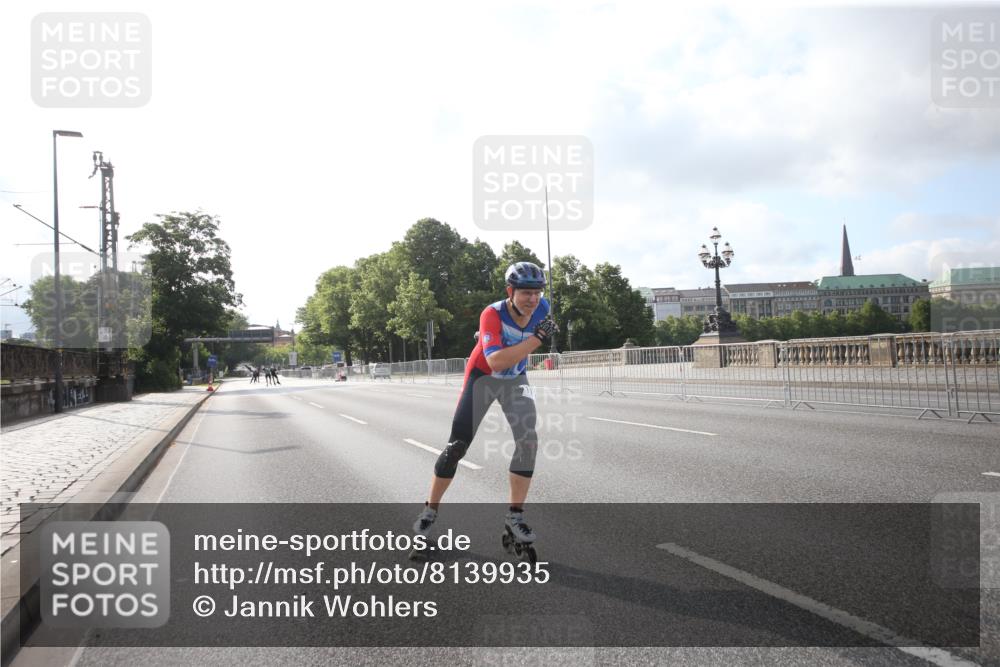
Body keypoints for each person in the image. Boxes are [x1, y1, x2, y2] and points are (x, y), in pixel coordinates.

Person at [413, 261, 558, 545]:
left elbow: (514, 356)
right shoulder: (491, 314)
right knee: (456, 447)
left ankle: (514, 517)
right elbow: (495, 360)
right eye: (525, 293)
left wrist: (529, 340)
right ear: (510, 291)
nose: (532, 299)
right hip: (483, 377)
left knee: (528, 442)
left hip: (515, 379)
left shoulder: (543, 307)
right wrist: (538, 339)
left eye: (537, 292)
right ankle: (430, 511)